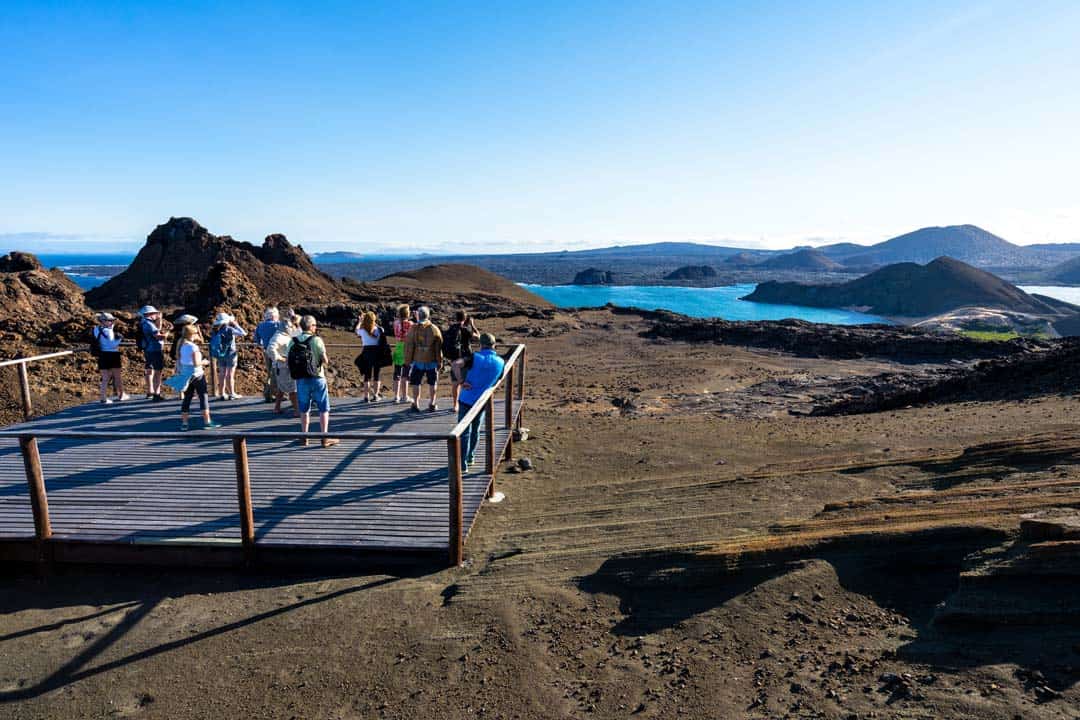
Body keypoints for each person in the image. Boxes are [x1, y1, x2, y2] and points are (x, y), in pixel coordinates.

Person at [457, 333, 505, 471]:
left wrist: (461, 382)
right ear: (494, 345)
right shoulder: (501, 362)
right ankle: (470, 456)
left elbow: (456, 364)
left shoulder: (474, 357)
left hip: (466, 399)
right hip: (482, 401)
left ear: (480, 345)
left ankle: (462, 464)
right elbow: (498, 380)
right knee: (476, 429)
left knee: (464, 431)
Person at [290, 315, 339, 448]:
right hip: (317, 377)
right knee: (323, 408)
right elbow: (325, 360)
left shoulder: (293, 340)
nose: (316, 327)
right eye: (315, 325)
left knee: (304, 409)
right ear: (311, 326)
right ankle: (324, 438)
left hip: (301, 379)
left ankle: (304, 437)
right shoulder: (317, 340)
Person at [173, 324, 220, 431]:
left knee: (187, 398)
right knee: (203, 397)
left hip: (186, 374)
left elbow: (180, 361)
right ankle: (207, 421)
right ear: (192, 334)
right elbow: (196, 363)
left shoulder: (181, 345)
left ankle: (184, 423)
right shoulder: (193, 347)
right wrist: (204, 362)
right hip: (197, 375)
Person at [403, 306, 443, 413]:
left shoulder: (414, 329)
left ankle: (416, 404)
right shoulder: (434, 329)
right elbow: (438, 348)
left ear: (418, 315)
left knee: (416, 382)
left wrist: (407, 360)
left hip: (418, 360)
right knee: (432, 382)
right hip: (432, 361)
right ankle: (432, 403)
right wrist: (439, 361)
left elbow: (409, 346)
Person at [266, 311, 299, 415]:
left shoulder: (285, 334)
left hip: (284, 366)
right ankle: (297, 411)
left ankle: (277, 407)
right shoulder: (279, 337)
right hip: (283, 367)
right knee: (292, 389)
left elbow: (298, 333)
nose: (292, 327)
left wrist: (294, 318)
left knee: (281, 388)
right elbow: (270, 349)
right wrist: (280, 358)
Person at [444, 310, 478, 412]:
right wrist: (472, 325)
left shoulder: (452, 329)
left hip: (454, 358)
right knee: (468, 381)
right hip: (466, 359)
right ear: (465, 318)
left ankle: (455, 405)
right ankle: (468, 403)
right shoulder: (465, 330)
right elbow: (478, 337)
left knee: (455, 383)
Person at [209, 312, 248, 400]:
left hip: (220, 354)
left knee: (222, 373)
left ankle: (222, 393)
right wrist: (236, 324)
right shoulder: (230, 329)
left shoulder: (215, 330)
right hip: (231, 353)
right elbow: (243, 333)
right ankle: (232, 393)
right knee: (230, 374)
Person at [92, 313, 128, 404]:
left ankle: (103, 397)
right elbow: (112, 345)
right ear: (103, 321)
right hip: (112, 355)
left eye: (112, 320)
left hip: (102, 355)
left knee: (105, 378)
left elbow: (103, 336)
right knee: (117, 377)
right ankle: (121, 395)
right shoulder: (109, 331)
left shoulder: (96, 329)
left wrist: (111, 327)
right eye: (110, 320)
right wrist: (119, 339)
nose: (112, 322)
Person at [354, 311, 385, 402]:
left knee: (367, 376)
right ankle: (375, 395)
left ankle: (366, 397)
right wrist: (374, 323)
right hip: (377, 353)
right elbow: (382, 330)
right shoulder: (379, 330)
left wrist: (360, 321)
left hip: (366, 352)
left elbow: (356, 330)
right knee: (376, 375)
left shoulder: (362, 330)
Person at [138, 305, 168, 401]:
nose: (156, 315)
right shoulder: (149, 324)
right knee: (158, 371)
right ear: (150, 314)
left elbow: (156, 329)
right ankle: (157, 393)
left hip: (148, 349)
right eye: (155, 313)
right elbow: (159, 336)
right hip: (155, 350)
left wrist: (160, 319)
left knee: (149, 369)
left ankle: (150, 391)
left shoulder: (143, 322)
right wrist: (167, 333)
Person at [254, 307, 281, 402]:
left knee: (270, 373)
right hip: (277, 352)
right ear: (275, 316)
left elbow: (257, 340)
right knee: (278, 373)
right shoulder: (278, 324)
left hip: (266, 351)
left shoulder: (260, 325)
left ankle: (269, 393)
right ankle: (272, 393)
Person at [391, 304, 413, 404]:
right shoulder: (411, 324)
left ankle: (396, 396)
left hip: (398, 347)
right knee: (406, 374)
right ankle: (405, 396)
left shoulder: (395, 323)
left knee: (397, 373)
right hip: (407, 348)